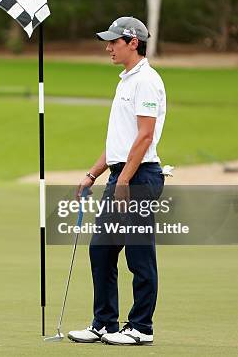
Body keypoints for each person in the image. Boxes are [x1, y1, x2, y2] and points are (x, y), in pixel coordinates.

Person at [68, 17, 166, 345]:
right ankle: (105, 323)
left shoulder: (147, 81)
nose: (108, 47)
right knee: (102, 251)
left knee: (139, 255)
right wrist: (93, 173)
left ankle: (141, 328)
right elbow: (119, 143)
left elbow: (145, 136)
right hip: (121, 173)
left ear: (133, 42)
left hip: (139, 176)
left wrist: (124, 179)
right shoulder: (125, 80)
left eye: (114, 42)